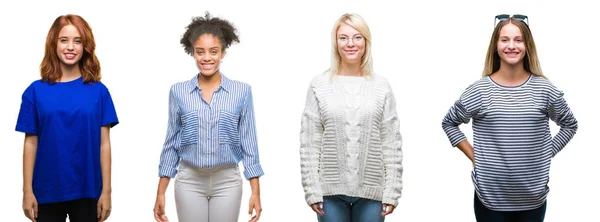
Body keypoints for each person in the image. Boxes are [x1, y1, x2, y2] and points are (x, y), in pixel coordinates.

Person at [441, 14, 578, 222]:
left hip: (533, 197)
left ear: (527, 45)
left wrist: (546, 152)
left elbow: (570, 125)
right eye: (505, 39)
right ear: (496, 45)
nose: (511, 45)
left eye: (518, 39)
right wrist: (474, 156)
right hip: (490, 198)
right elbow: (449, 122)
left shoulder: (544, 89)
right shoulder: (479, 91)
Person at [153, 12, 264, 222]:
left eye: (213, 52)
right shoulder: (179, 92)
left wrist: (255, 192)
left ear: (223, 53)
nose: (206, 58)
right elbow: (171, 143)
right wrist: (160, 192)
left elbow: (250, 144)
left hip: (228, 181)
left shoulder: (242, 92)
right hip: (189, 181)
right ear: (192, 52)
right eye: (200, 52)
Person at [299, 13, 403, 222]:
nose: (350, 44)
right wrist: (311, 189)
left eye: (357, 37)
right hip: (329, 195)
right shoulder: (319, 85)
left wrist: (392, 189)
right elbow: (309, 143)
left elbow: (391, 142)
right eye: (343, 37)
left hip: (372, 195)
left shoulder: (381, 86)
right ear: (335, 43)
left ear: (366, 42)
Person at [16, 14, 119, 222]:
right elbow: (31, 144)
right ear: (54, 43)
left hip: (88, 189)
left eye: (77, 41)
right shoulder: (35, 92)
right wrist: (27, 191)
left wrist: (106, 191)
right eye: (64, 40)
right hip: (46, 190)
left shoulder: (99, 92)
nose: (70, 47)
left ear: (85, 46)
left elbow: (104, 144)